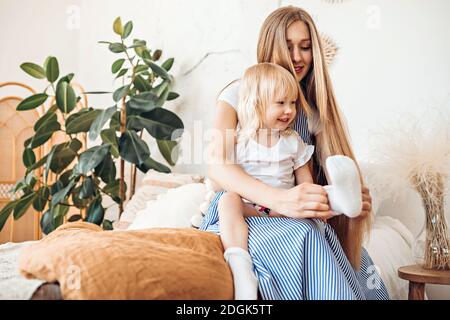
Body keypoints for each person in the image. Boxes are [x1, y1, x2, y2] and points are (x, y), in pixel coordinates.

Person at [201, 6, 389, 299]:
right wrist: (279, 200)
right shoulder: (238, 95)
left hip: (291, 213)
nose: (298, 57)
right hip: (242, 208)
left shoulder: (312, 110)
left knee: (360, 265)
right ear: (268, 46)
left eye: (305, 47)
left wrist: (345, 199)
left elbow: (313, 182)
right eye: (288, 47)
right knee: (306, 237)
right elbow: (217, 165)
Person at [218, 62, 316, 300]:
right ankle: (239, 262)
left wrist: (314, 200)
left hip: (283, 211)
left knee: (305, 217)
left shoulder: (293, 141)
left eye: (292, 103)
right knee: (227, 200)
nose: (289, 110)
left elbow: (306, 184)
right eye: (280, 103)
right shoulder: (241, 141)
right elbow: (225, 178)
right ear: (256, 104)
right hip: (249, 208)